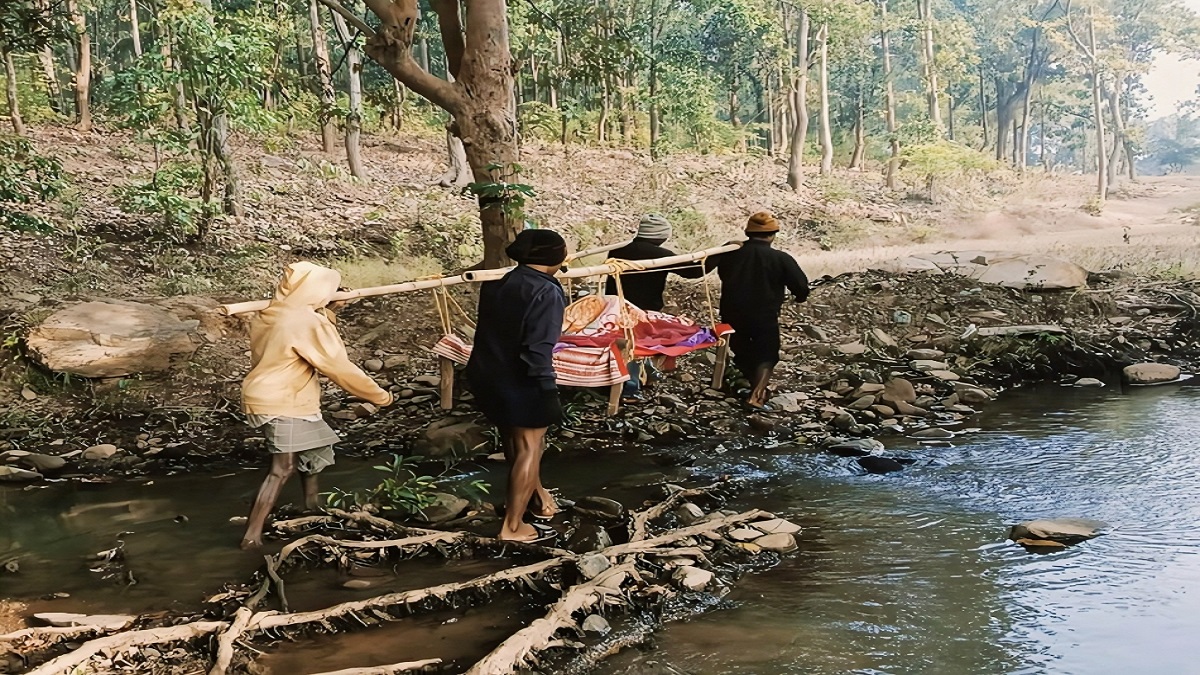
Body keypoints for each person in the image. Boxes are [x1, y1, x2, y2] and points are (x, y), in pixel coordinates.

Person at [239, 262, 393, 550]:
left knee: (312, 455)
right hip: (283, 399)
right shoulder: (307, 322)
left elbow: (300, 336)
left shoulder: (269, 314)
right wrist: (379, 396)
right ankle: (251, 535)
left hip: (276, 394)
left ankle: (311, 507)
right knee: (282, 469)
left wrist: (331, 309)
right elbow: (338, 366)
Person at [466, 229, 569, 542]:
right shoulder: (547, 292)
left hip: (487, 374)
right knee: (530, 447)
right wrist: (546, 386)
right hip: (521, 378)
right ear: (554, 258)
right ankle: (512, 527)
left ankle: (538, 502)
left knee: (516, 440)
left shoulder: (498, 282)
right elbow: (538, 347)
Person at [706, 212, 809, 410]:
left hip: (732, 311)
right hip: (765, 313)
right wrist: (800, 297)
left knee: (741, 349)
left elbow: (701, 268)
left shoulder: (729, 252)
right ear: (773, 234)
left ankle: (747, 384)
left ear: (748, 232)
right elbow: (801, 286)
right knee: (767, 353)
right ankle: (756, 395)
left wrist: (723, 247)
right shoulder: (780, 258)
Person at [603, 214, 704, 401]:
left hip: (615, 306)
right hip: (642, 310)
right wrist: (718, 255)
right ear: (660, 235)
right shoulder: (660, 255)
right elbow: (693, 271)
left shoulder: (619, 250)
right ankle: (630, 388)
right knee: (637, 345)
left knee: (628, 343)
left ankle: (645, 374)